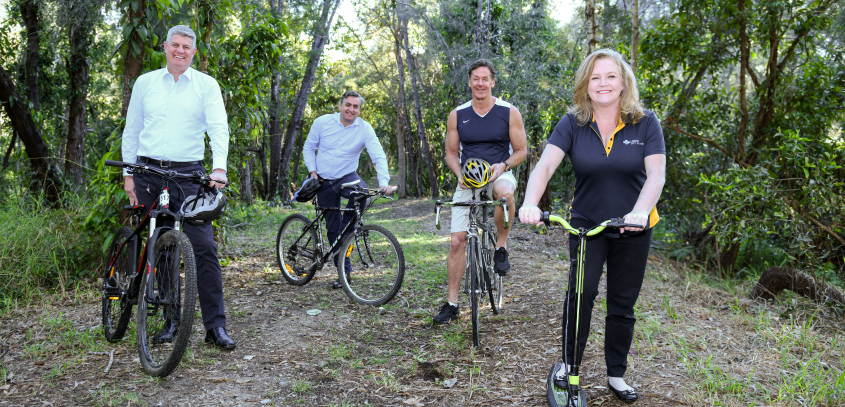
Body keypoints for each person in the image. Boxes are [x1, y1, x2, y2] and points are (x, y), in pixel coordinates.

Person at [518, 49, 666, 403]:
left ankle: (616, 374)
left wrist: (640, 212)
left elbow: (656, 174)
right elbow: (544, 167)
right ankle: (570, 370)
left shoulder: (645, 122)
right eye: (595, 77)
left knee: (622, 303)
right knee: (580, 296)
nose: (603, 83)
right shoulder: (572, 123)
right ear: (586, 84)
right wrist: (529, 202)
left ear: (623, 82)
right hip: (587, 227)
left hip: (633, 226)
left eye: (611, 76)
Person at [122, 25, 235, 350]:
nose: (180, 51)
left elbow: (218, 128)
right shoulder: (145, 83)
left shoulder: (206, 85)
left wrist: (219, 168)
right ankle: (171, 320)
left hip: (189, 176)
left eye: (186, 46)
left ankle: (215, 327)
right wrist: (129, 174)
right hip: (147, 171)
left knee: (203, 248)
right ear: (165, 47)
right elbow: (132, 129)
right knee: (162, 245)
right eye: (175, 45)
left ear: (193, 52)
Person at [432, 59, 527, 324]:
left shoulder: (509, 111)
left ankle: (500, 248)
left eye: (485, 79)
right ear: (470, 82)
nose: (480, 83)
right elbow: (451, 154)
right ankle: (452, 304)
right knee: (456, 241)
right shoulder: (458, 114)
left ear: (493, 81)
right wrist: (460, 174)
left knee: (506, 194)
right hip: (468, 178)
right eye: (476, 78)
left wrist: (503, 165)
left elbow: (521, 151)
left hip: (498, 171)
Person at [302, 90, 393, 289]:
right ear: (341, 105)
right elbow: (308, 147)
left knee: (363, 195)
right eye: (348, 105)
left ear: (359, 109)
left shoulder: (364, 128)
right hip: (324, 180)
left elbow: (378, 155)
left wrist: (383, 182)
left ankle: (347, 233)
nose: (351, 109)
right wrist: (313, 171)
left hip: (347, 176)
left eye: (355, 106)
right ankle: (345, 272)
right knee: (332, 228)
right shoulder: (322, 122)